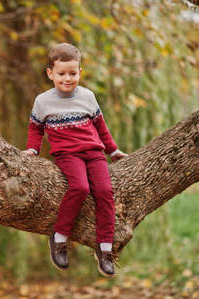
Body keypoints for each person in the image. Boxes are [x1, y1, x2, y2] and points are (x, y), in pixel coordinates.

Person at [23, 43, 127, 277]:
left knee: (104, 191)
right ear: (50, 73)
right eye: (61, 74)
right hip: (67, 154)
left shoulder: (88, 97)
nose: (67, 79)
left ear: (80, 72)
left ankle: (105, 249)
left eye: (73, 73)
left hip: (94, 153)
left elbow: (101, 126)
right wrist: (32, 149)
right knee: (80, 187)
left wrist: (113, 150)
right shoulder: (43, 102)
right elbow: (35, 129)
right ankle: (59, 238)